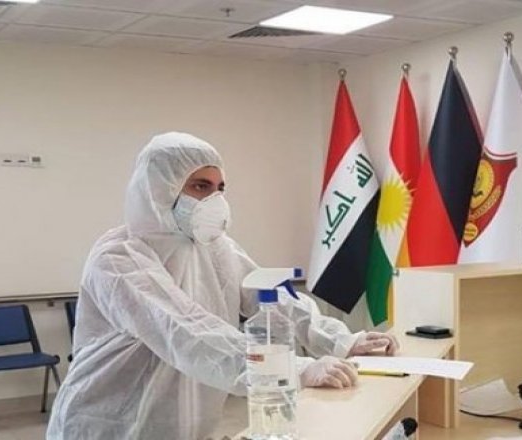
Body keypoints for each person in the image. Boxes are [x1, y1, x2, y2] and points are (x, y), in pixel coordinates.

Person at [47, 132, 399, 440]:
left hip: (186, 425)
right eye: (200, 186)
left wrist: (341, 340)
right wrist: (294, 368)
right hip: (108, 425)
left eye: (220, 189)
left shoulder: (214, 246)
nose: (215, 200)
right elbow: (184, 330)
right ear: (160, 188)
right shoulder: (118, 257)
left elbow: (272, 295)